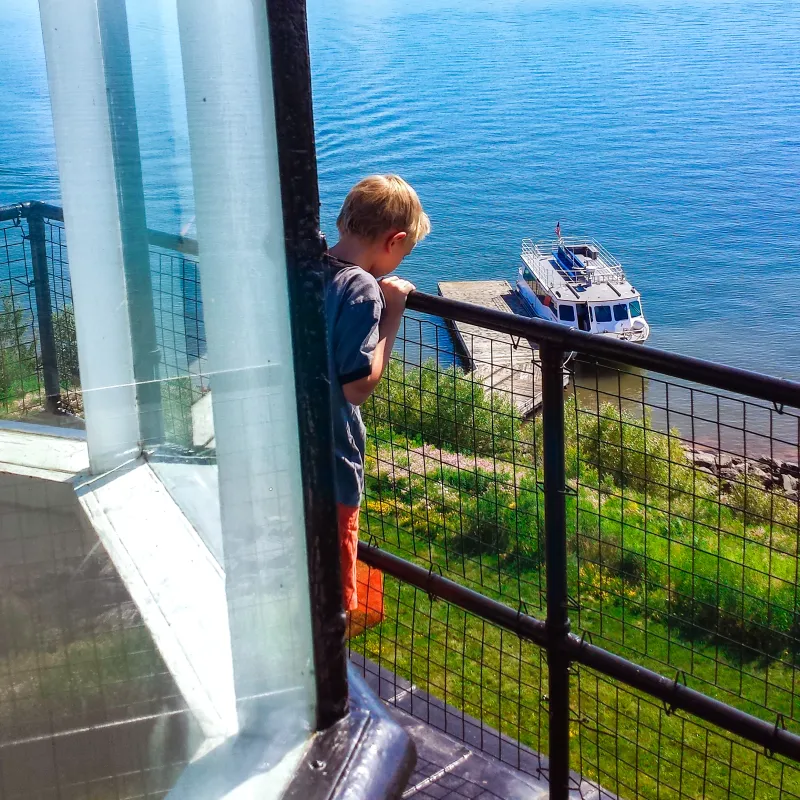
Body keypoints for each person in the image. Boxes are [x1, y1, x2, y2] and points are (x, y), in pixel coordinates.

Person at [326, 174, 430, 613]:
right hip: (330, 455)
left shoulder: (307, 262)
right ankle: (336, 657)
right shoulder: (361, 289)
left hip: (289, 448)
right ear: (395, 240)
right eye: (404, 252)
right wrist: (393, 316)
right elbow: (357, 386)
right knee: (336, 567)